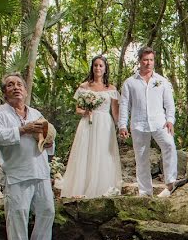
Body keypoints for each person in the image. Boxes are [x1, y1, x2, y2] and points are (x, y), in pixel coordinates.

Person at [0, 73, 55, 240]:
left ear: (25, 91)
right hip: (17, 172)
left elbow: (45, 140)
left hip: (40, 171)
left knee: (47, 212)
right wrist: (23, 129)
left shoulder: (35, 113)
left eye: (19, 85)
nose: (16, 87)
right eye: (10, 85)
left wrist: (49, 142)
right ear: (4, 93)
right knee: (18, 217)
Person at [58, 55, 123, 198]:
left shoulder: (111, 88)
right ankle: (81, 188)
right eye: (95, 65)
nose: (98, 68)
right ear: (92, 68)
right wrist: (86, 111)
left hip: (105, 124)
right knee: (85, 153)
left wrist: (122, 127)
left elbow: (115, 112)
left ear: (105, 69)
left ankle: (102, 188)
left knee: (103, 154)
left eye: (101, 66)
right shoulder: (84, 86)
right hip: (87, 123)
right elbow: (78, 109)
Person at [118, 47, 177, 198]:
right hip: (138, 124)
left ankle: (170, 184)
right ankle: (145, 192)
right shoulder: (129, 83)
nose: (148, 63)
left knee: (169, 145)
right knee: (141, 157)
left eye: (151, 60)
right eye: (145, 60)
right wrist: (122, 125)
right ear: (139, 61)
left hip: (160, 123)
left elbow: (169, 104)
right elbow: (124, 105)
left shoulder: (162, 81)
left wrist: (170, 120)